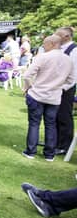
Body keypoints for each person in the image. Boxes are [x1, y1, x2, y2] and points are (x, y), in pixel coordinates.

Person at [21, 34, 74, 161]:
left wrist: (29, 87)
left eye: (45, 43)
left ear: (52, 44)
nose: (43, 46)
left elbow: (27, 75)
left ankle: (31, 151)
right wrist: (61, 88)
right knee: (51, 125)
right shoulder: (68, 59)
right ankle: (49, 154)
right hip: (54, 97)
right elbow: (72, 80)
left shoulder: (43, 57)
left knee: (34, 124)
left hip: (38, 94)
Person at [53, 27, 77, 155]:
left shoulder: (74, 50)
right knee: (55, 115)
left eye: (58, 35)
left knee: (64, 115)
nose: (55, 37)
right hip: (56, 86)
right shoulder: (59, 49)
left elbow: (73, 73)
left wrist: (64, 88)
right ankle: (56, 142)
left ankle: (65, 145)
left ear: (67, 36)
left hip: (66, 88)